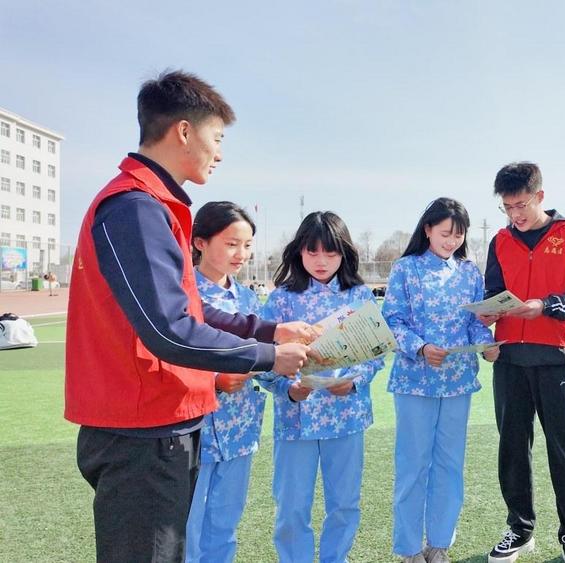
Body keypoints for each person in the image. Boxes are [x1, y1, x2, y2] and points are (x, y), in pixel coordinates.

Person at [64, 70, 313, 563]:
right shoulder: (135, 207)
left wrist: (271, 329)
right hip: (142, 431)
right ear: (183, 131)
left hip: (157, 423)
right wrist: (269, 355)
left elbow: (193, 312)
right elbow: (170, 331)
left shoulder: (153, 205)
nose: (218, 153)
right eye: (216, 138)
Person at [479, 162, 565, 563]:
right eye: (507, 207)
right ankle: (519, 528)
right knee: (512, 448)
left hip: (555, 358)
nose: (515, 214)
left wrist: (545, 306)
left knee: (564, 450)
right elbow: (493, 292)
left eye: (521, 205)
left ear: (540, 197)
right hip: (509, 359)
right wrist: (488, 315)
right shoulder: (499, 241)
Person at [260, 211, 384, 563]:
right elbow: (263, 358)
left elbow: (376, 352)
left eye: (330, 252)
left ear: (344, 253)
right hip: (295, 419)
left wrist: (354, 381)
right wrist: (287, 389)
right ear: (299, 251)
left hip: (346, 416)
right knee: (291, 507)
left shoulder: (359, 296)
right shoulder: (282, 299)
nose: (321, 261)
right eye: (312, 251)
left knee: (345, 504)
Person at [382, 197, 499, 563]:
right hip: (415, 381)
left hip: (458, 383)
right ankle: (409, 548)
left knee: (450, 465)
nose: (452, 241)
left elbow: (474, 323)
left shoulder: (469, 272)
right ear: (428, 229)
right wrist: (420, 347)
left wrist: (487, 345)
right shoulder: (405, 269)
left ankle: (439, 544)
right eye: (446, 233)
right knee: (413, 465)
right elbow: (392, 321)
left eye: (458, 235)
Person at [184, 202, 269, 562]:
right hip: (194, 429)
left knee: (225, 523)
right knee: (187, 525)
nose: (241, 254)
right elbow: (168, 354)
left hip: (239, 428)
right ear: (200, 242)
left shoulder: (248, 298)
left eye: (247, 245)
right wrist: (216, 379)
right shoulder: (180, 293)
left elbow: (263, 354)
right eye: (232, 244)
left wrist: (290, 378)